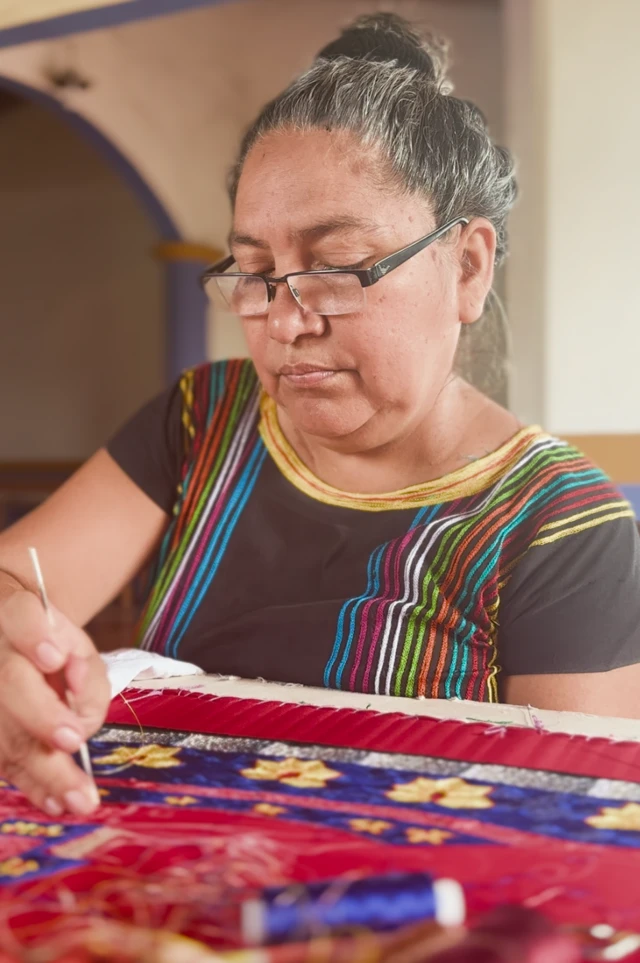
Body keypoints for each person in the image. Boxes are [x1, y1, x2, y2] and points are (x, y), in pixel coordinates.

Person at [0, 13, 639, 820]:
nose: (283, 318)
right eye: (258, 271)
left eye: (336, 268)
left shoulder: (559, 526)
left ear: (468, 267)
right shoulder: (205, 419)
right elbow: (17, 581)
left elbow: (576, 821)